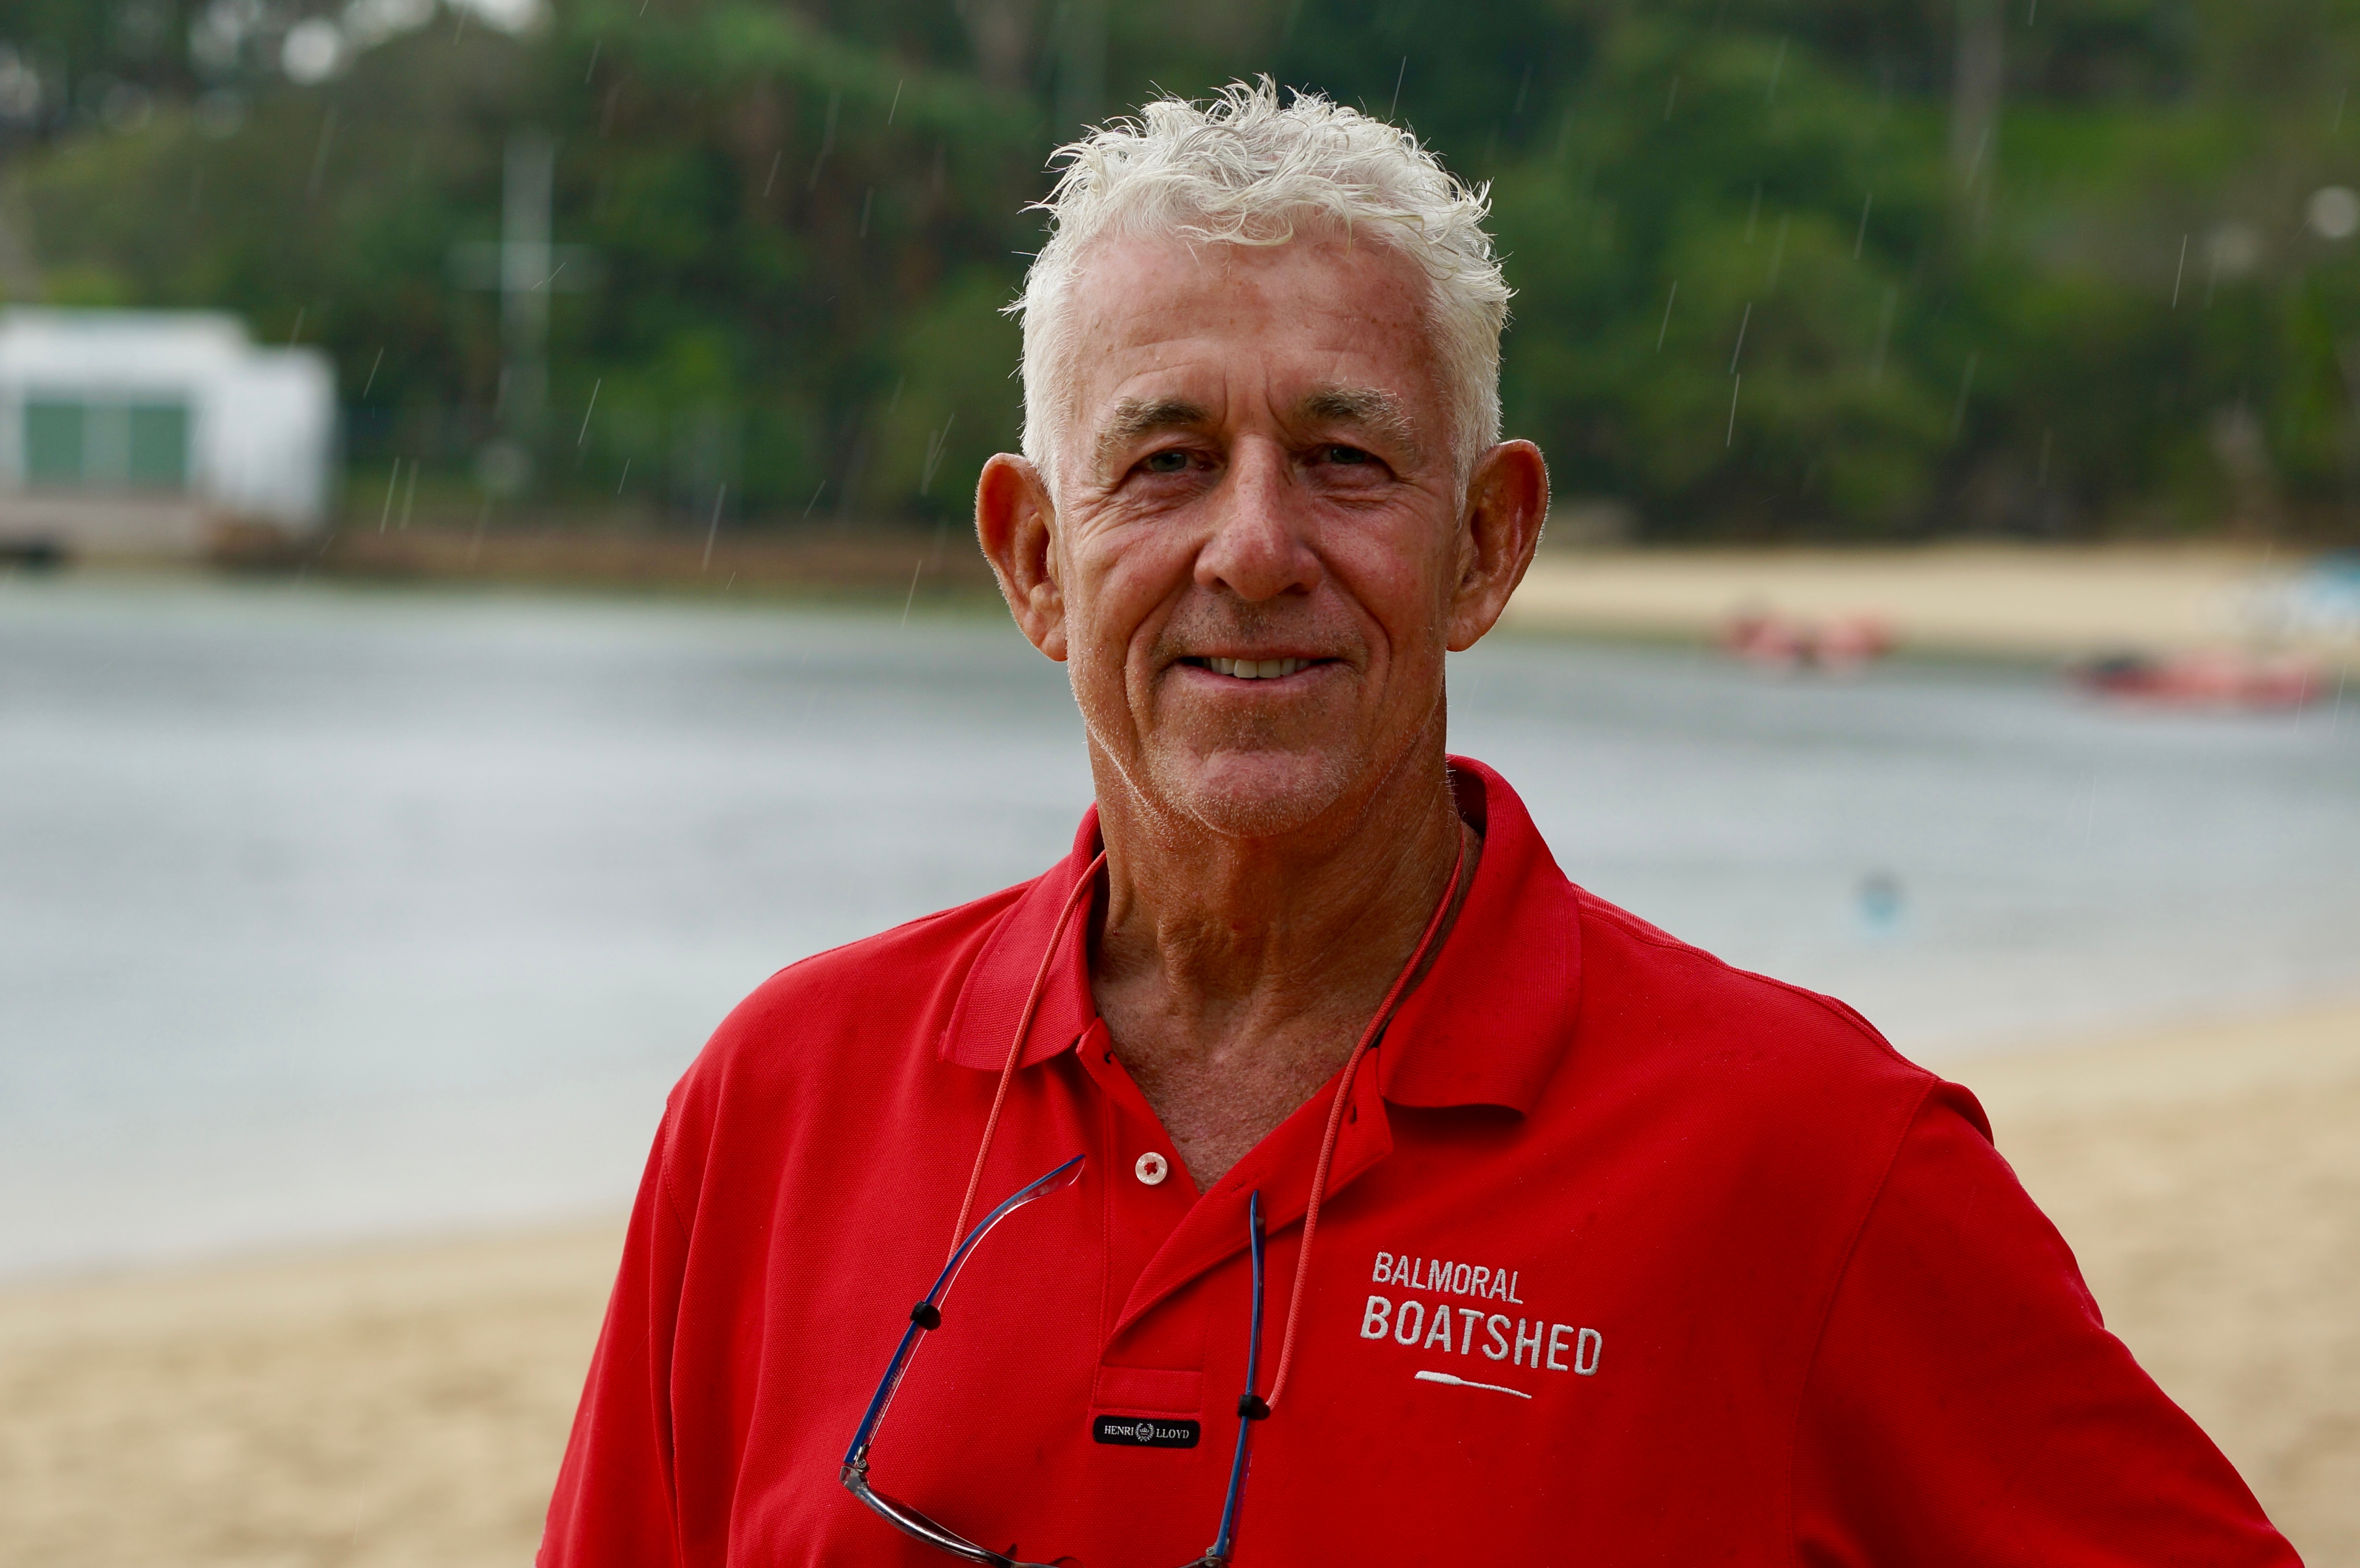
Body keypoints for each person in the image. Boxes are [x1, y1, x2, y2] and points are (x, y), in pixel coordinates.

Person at [541, 82, 2298, 1566]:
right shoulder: (778, 1107)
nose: (1251, 548)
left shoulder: (1815, 1163)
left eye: (1345, 459)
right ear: (1032, 560)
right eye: (1163, 461)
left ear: (1488, 543)